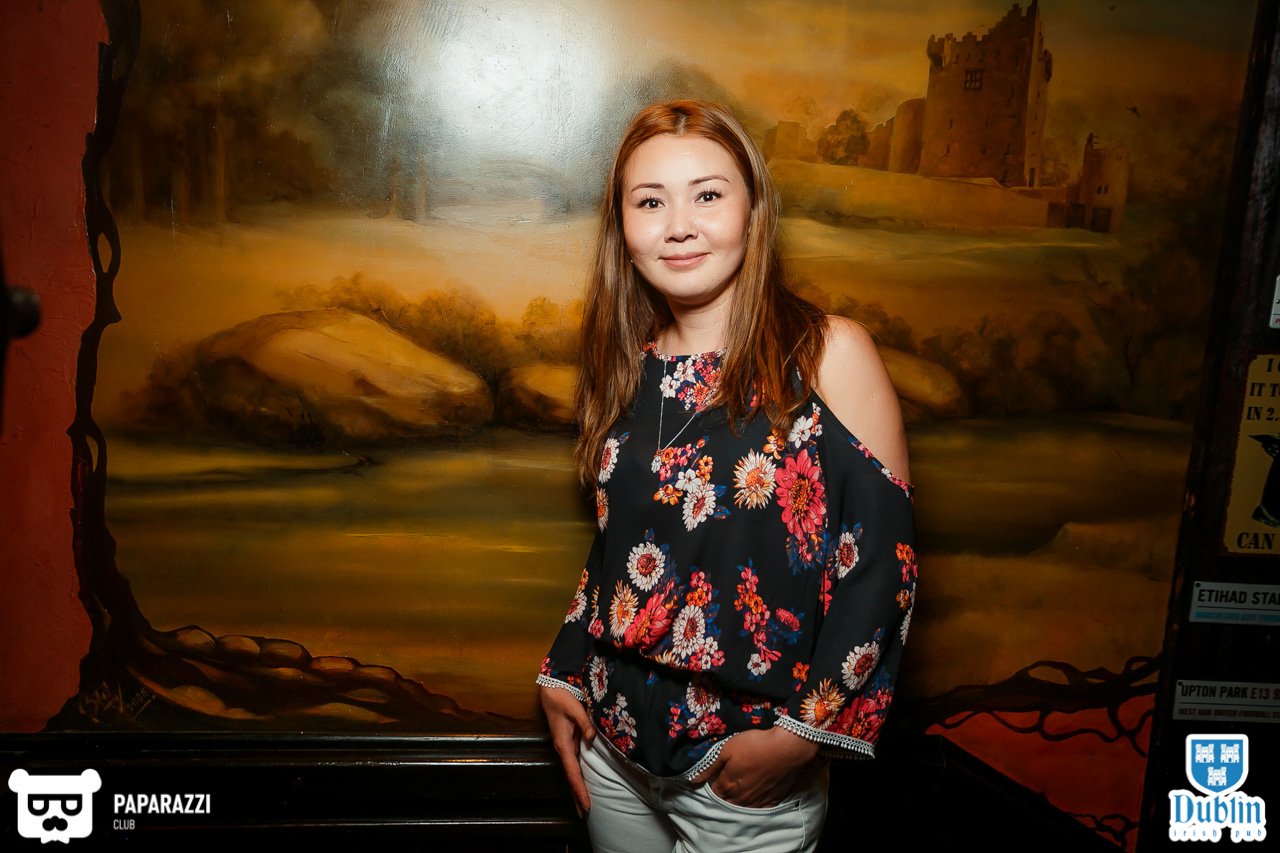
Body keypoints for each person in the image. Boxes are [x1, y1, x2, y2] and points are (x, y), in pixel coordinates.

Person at [537, 99, 916, 853]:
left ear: (754, 210)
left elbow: (883, 568)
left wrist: (801, 737)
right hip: (613, 751)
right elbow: (621, 549)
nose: (679, 225)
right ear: (623, 228)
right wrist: (563, 671)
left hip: (741, 778)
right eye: (651, 202)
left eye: (707, 194)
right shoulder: (628, 366)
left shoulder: (827, 355)